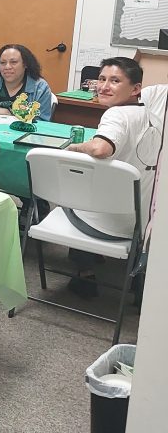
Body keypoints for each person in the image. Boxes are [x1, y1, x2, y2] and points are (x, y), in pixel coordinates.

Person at [64, 57, 161, 297]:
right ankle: (136, 275)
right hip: (142, 224)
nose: (104, 86)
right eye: (102, 79)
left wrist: (76, 147)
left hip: (110, 224)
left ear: (136, 89)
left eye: (115, 81)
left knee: (68, 197)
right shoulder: (155, 116)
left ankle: (85, 276)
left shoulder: (117, 115)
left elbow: (101, 149)